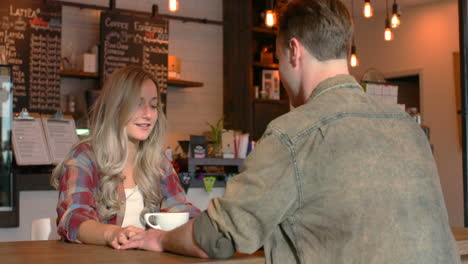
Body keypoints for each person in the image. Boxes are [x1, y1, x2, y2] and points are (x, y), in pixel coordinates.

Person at [120, 0, 460, 263]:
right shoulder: (408, 128)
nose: (281, 75)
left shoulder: (292, 133)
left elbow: (218, 237)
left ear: (294, 51)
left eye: (279, 60)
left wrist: (159, 239)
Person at [51, 66, 200, 248]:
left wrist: (218, 222)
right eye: (137, 104)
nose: (147, 114)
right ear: (115, 106)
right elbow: (74, 219)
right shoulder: (84, 157)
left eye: (153, 106)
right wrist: (113, 234)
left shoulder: (158, 162)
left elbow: (181, 211)